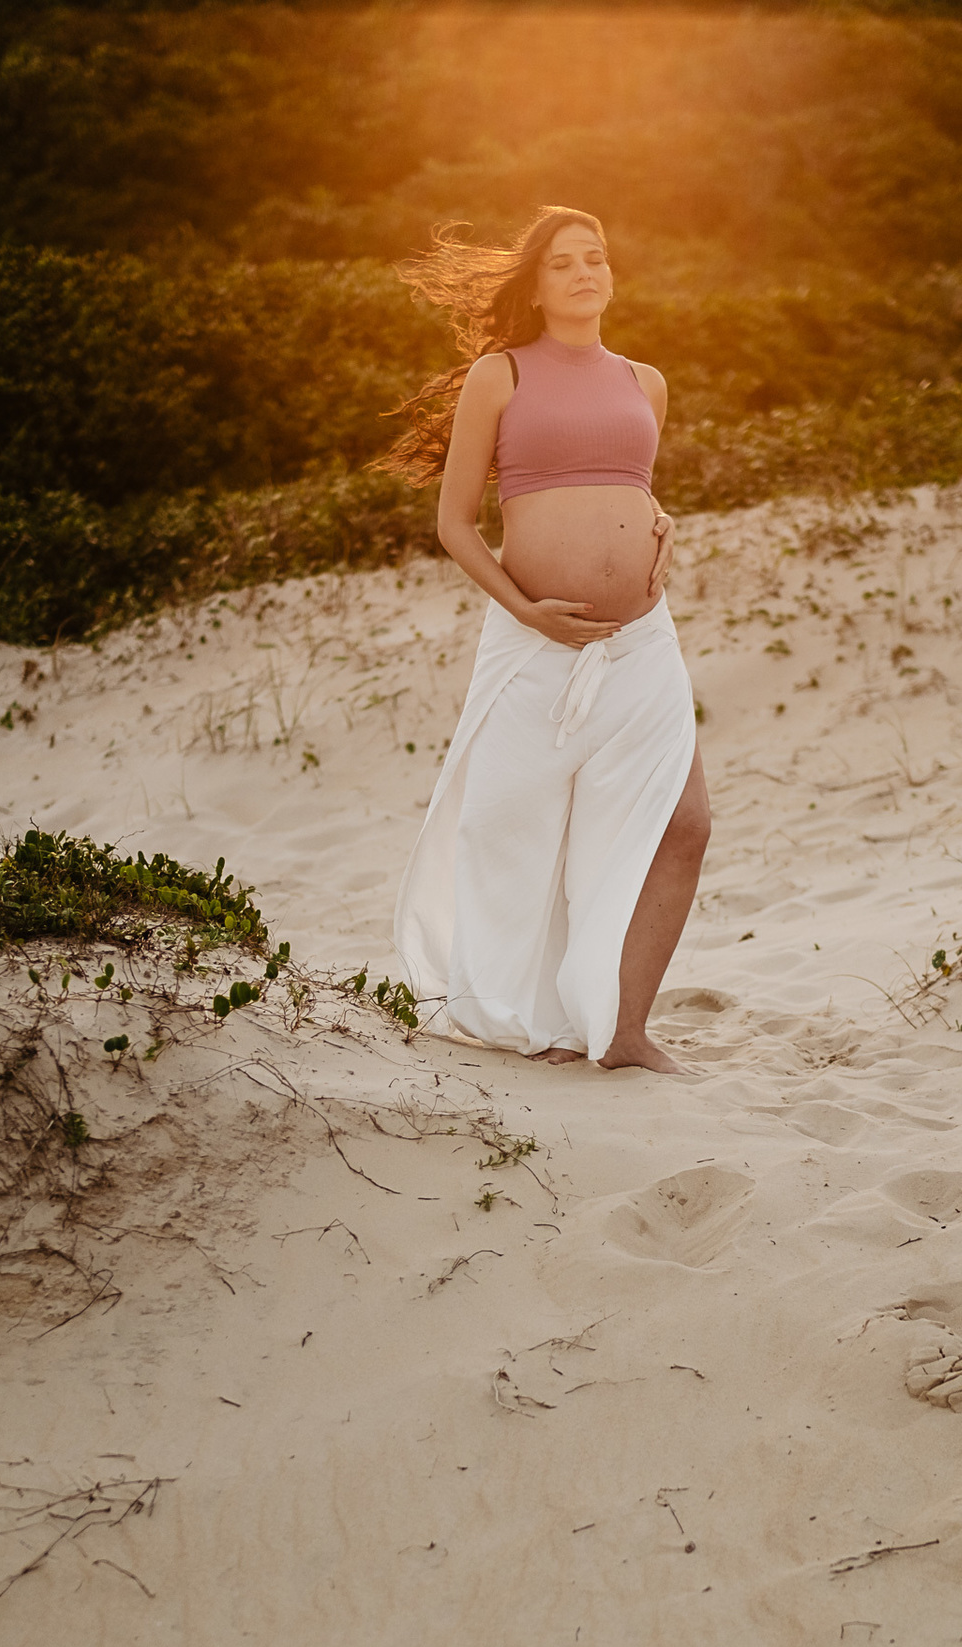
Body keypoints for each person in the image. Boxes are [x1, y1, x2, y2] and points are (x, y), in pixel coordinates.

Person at [384, 205, 710, 1073]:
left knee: (684, 824)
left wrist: (657, 518)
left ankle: (626, 1030)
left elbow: (622, 481)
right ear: (535, 283)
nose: (583, 272)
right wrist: (526, 612)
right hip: (534, 642)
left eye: (595, 257)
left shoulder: (646, 381)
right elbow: (455, 524)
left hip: (640, 640)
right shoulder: (501, 375)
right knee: (509, 828)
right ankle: (515, 1014)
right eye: (562, 262)